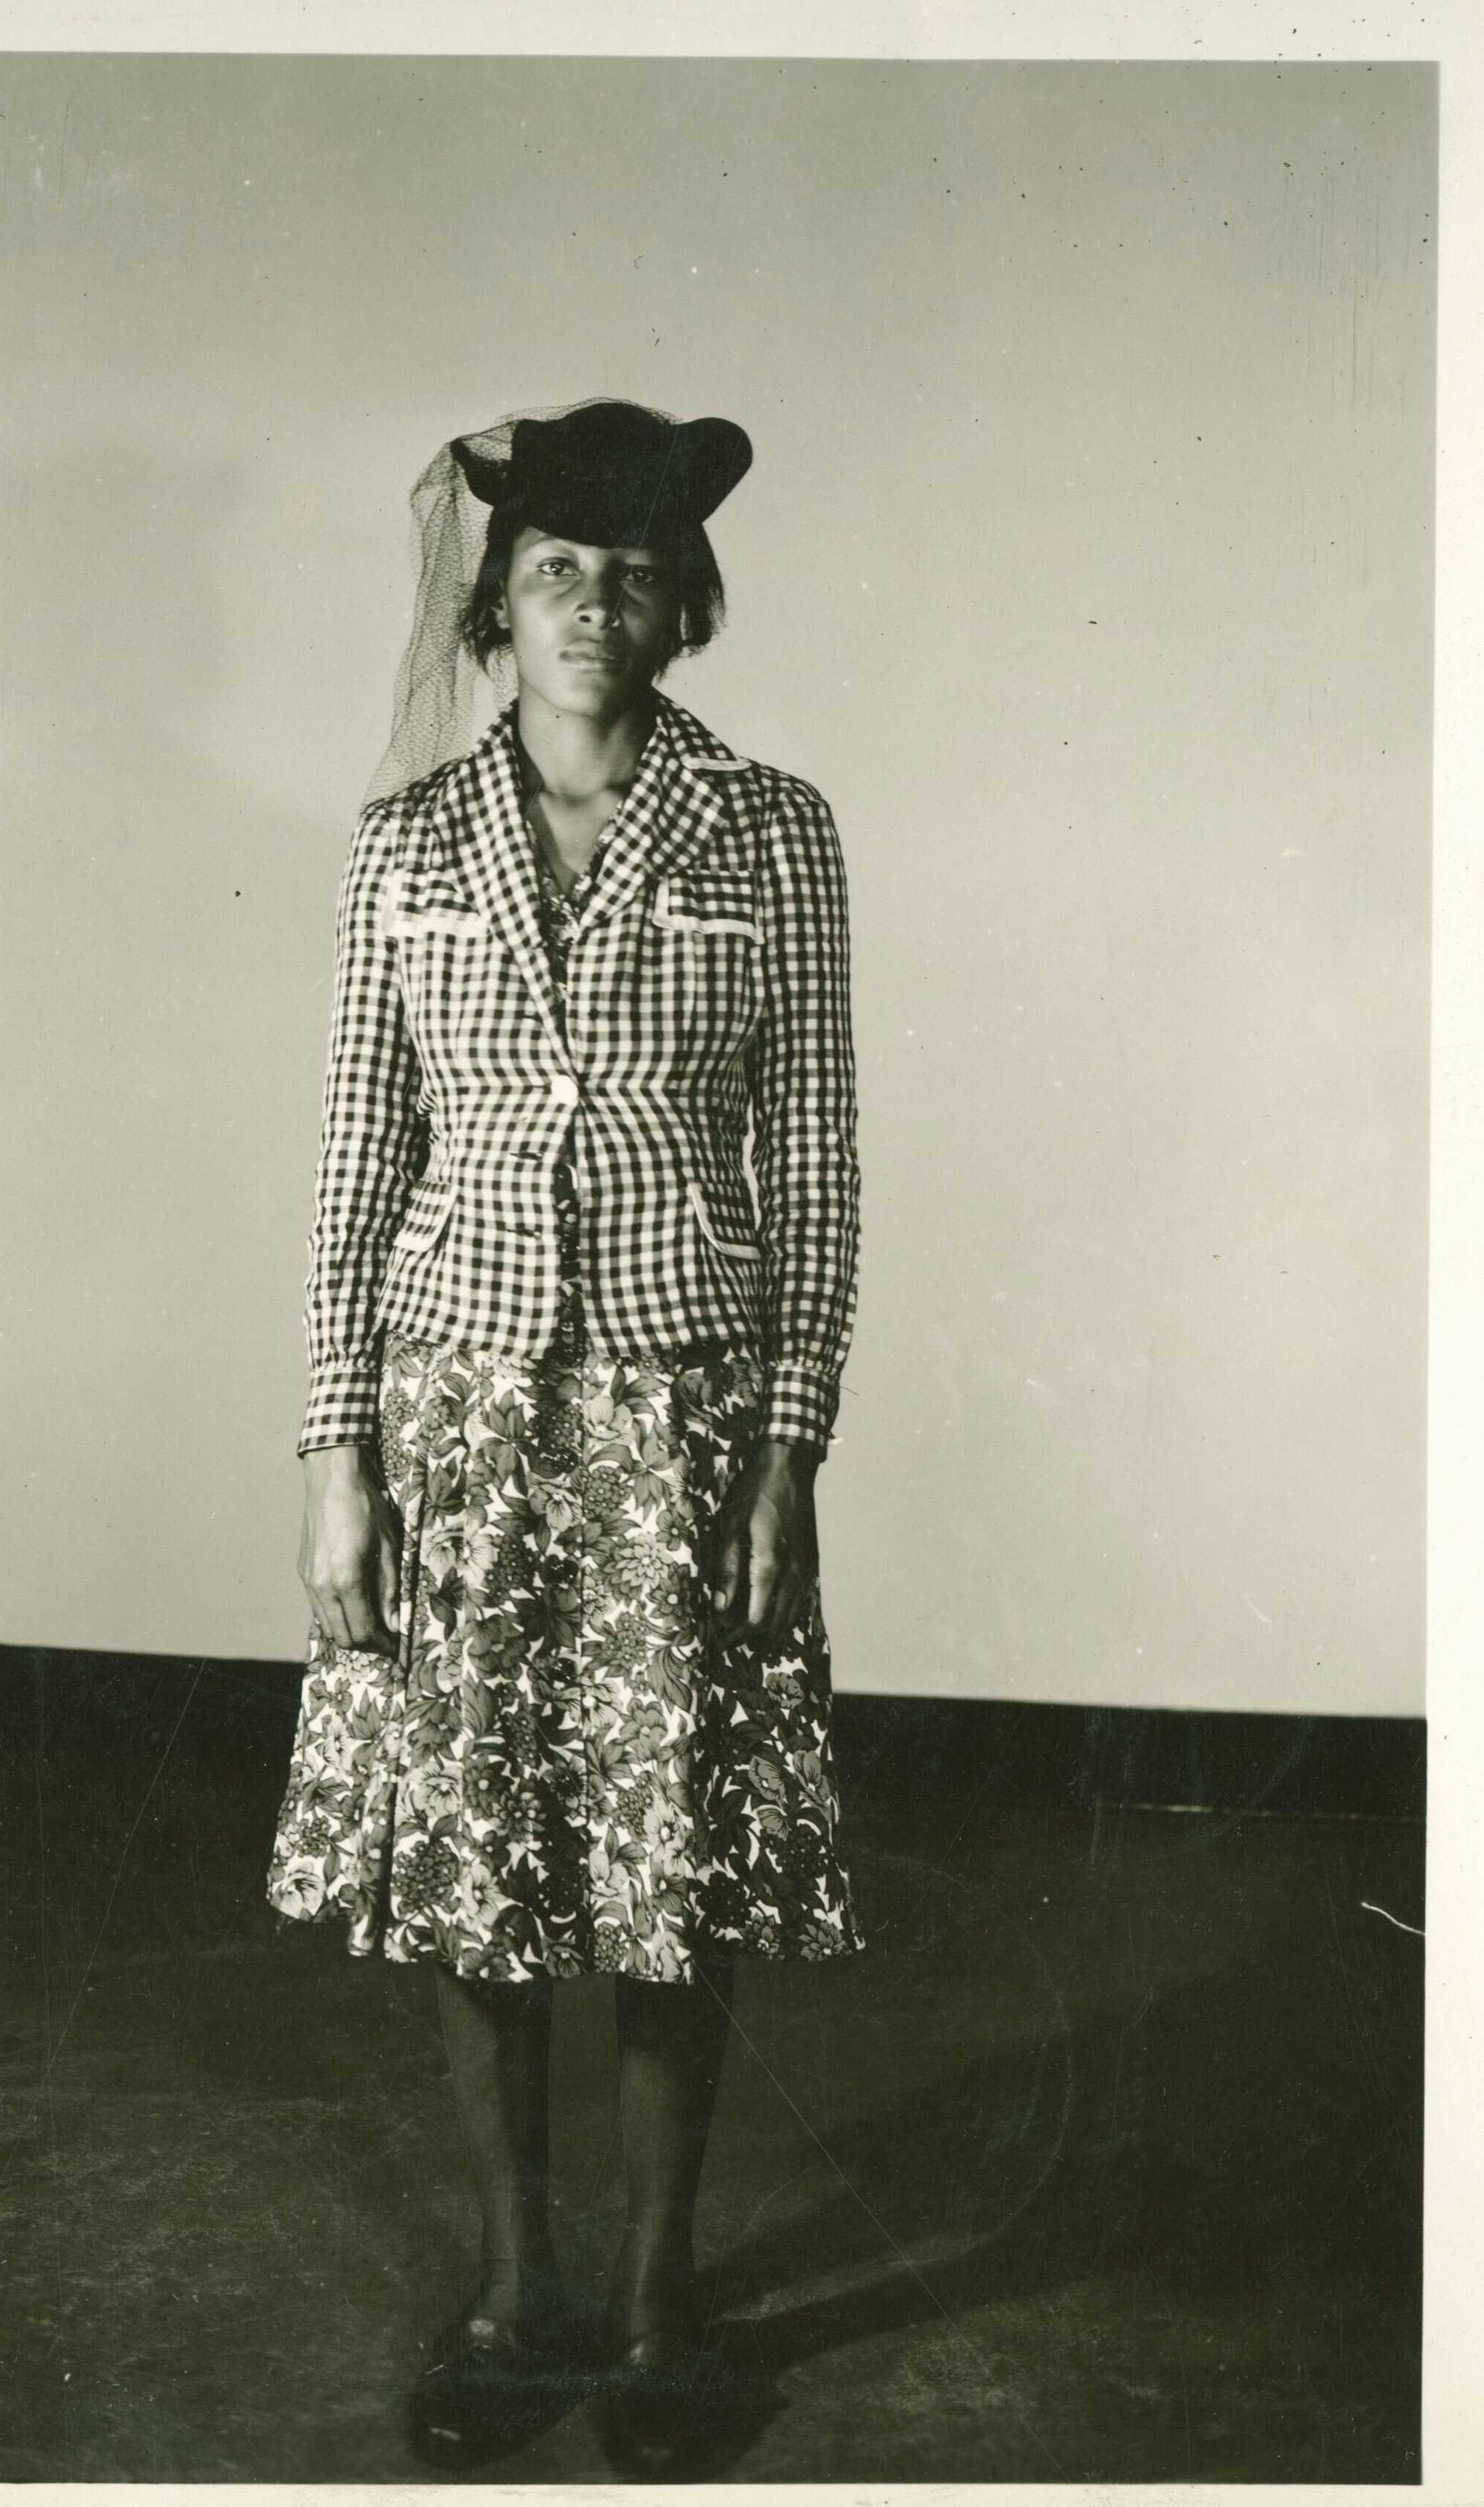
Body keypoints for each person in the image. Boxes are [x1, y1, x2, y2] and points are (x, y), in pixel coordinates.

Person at [267, 398, 863, 2475]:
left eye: (626, 572)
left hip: (687, 1423)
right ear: (495, 605)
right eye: (551, 571)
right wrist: (337, 1448)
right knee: (478, 1863)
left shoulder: (776, 831)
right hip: (462, 1419)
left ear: (675, 602)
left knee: (670, 1864)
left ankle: (656, 2300)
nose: (590, 606)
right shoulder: (408, 847)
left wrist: (789, 1449)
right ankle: (520, 2286)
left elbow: (820, 1159)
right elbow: (357, 1158)